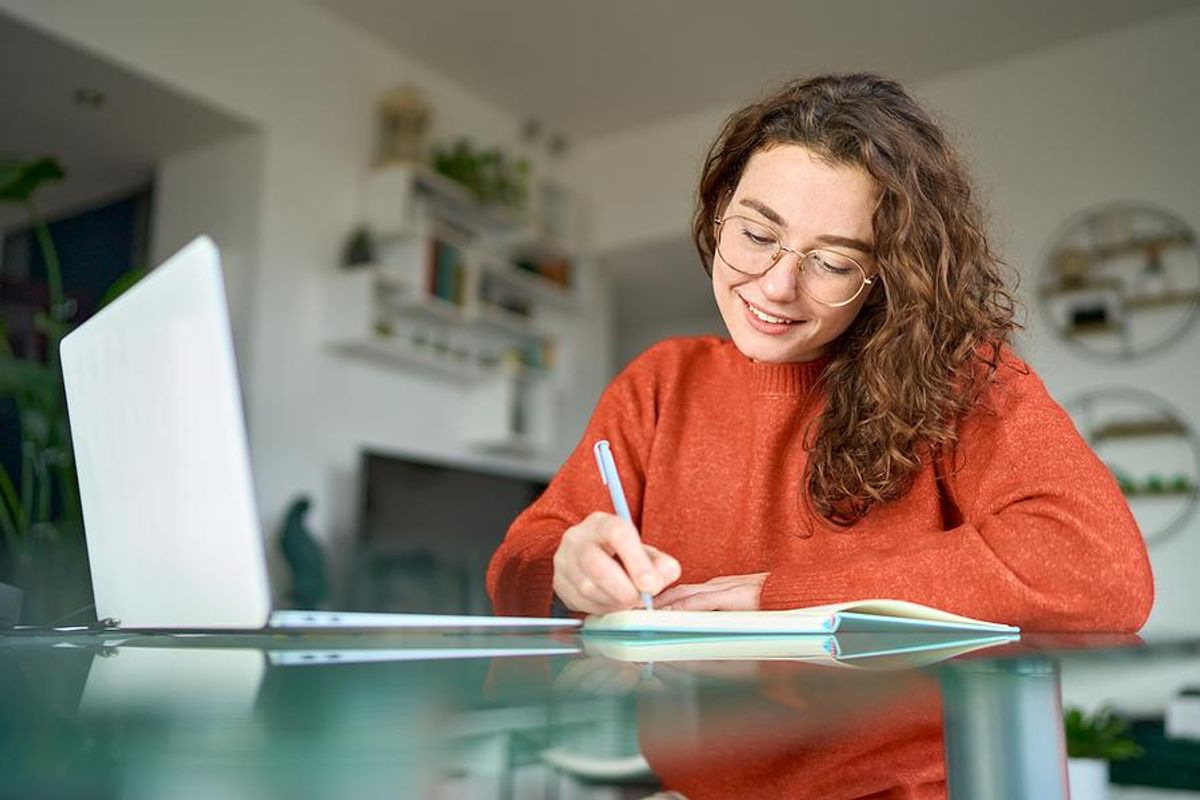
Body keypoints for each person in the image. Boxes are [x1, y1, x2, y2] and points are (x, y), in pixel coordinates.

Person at [486, 72, 1154, 631]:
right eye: (755, 232)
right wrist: (567, 564)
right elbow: (520, 560)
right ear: (720, 208)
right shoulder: (660, 385)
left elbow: (1099, 570)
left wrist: (779, 598)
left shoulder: (960, 376)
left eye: (832, 262)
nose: (776, 285)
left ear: (888, 274)